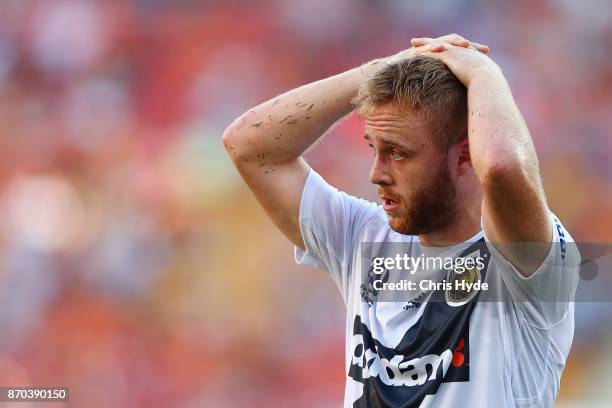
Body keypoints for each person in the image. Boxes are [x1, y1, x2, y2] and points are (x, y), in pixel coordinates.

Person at [222, 33, 580, 408]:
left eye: (398, 153)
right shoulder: (365, 238)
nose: (376, 173)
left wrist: (482, 72)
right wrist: (378, 70)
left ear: (464, 156)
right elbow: (250, 145)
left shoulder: (526, 266)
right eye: (373, 149)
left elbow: (502, 167)